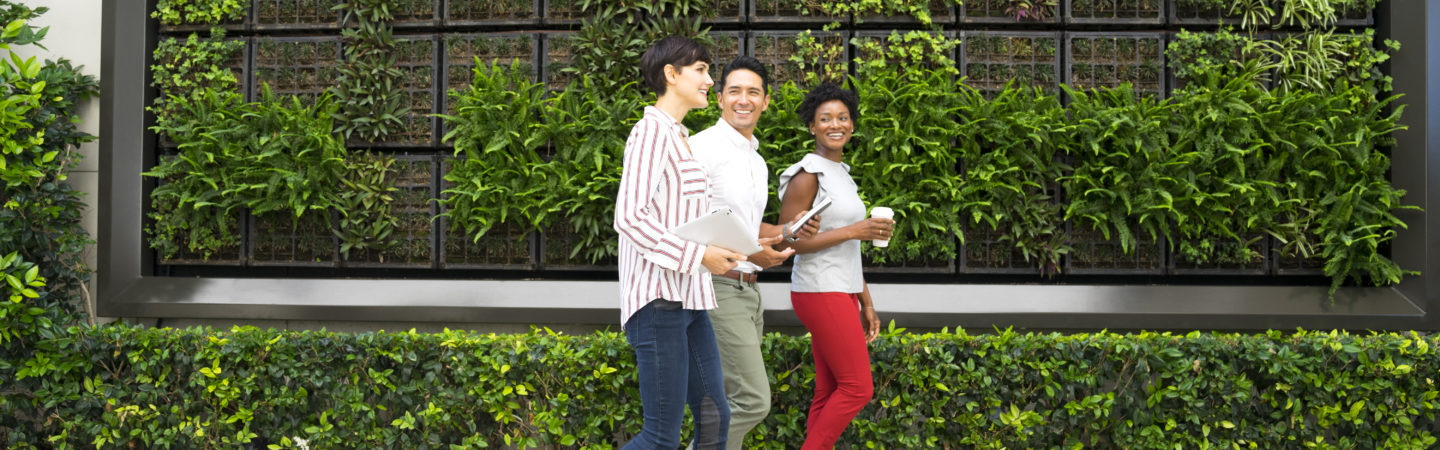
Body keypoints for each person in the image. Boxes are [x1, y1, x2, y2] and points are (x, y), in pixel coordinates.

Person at [612, 35, 739, 450]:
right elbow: (629, 216)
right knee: (661, 437)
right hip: (657, 301)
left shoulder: (681, 137)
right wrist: (699, 254)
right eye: (701, 70)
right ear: (671, 74)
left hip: (690, 298)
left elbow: (684, 218)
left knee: (713, 416)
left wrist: (726, 246)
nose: (709, 81)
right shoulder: (650, 133)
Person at [688, 55, 821, 448]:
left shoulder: (757, 161)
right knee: (751, 400)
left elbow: (744, 224)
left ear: (765, 102)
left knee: (730, 404)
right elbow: (693, 222)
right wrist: (753, 250)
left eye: (753, 92)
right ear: (720, 99)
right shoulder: (701, 148)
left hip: (749, 290)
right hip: (717, 286)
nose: (743, 99)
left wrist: (783, 232)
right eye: (734, 91)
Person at [776, 82, 893, 449]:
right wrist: (854, 229)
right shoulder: (807, 174)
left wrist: (866, 301)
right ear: (812, 126)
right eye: (825, 118)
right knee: (858, 388)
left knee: (829, 391)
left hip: (841, 289)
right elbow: (788, 241)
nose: (835, 124)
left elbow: (849, 249)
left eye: (843, 117)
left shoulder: (842, 173)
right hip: (818, 288)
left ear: (852, 125)